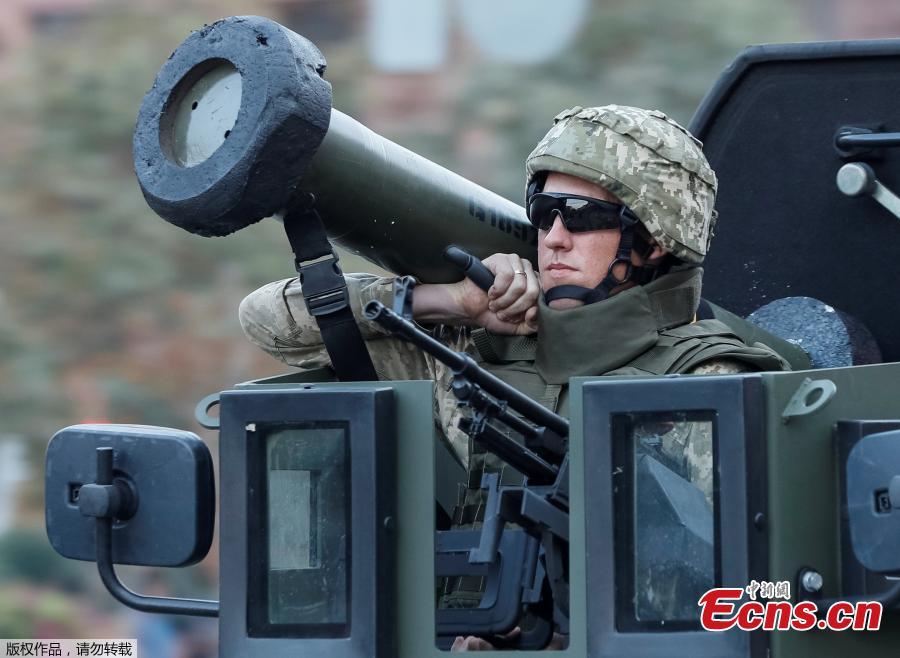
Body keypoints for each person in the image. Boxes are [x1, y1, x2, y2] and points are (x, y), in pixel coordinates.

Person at [238, 104, 790, 650]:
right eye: (544, 213)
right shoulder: (471, 350)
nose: (552, 238)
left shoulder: (709, 385)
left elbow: (752, 599)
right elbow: (267, 321)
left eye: (580, 217)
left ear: (654, 238)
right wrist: (448, 301)